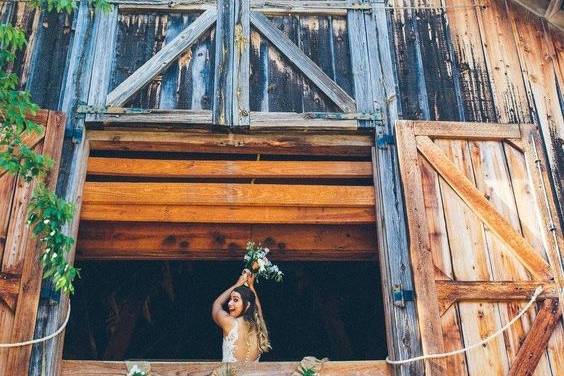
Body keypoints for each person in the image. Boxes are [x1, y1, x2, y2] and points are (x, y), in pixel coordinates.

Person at [212, 269, 271, 362]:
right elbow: (258, 309)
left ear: (247, 305)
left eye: (235, 300)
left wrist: (237, 284)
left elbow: (217, 305)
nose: (229, 303)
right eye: (230, 299)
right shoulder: (259, 329)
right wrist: (251, 286)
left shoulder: (230, 323)